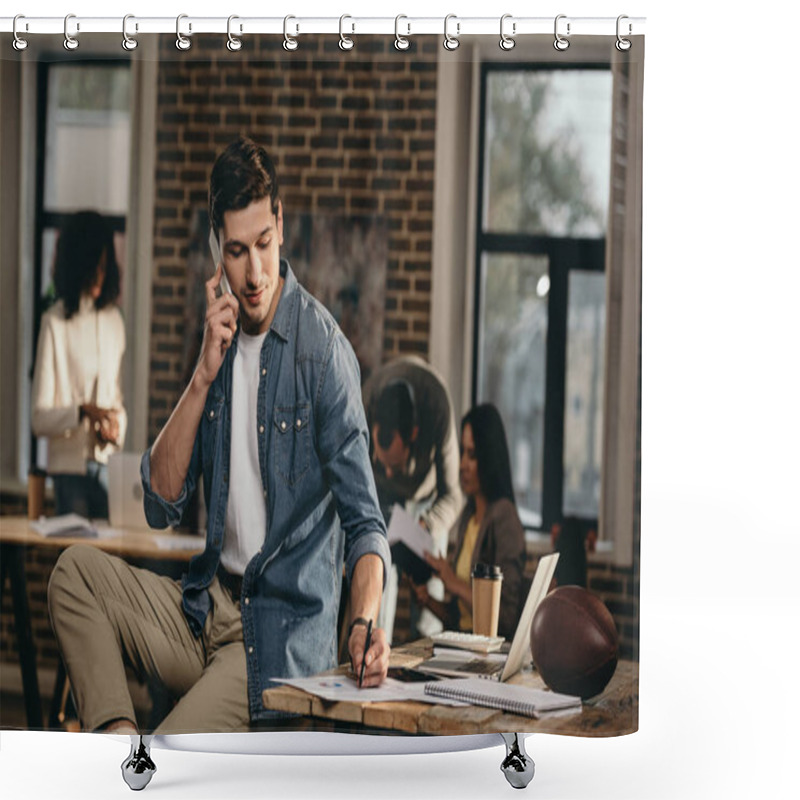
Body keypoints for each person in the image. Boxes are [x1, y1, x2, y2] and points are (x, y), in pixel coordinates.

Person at [47, 137, 391, 740]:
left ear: (280, 224)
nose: (254, 272)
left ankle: (136, 764)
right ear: (217, 250)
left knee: (169, 755)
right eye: (237, 251)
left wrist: (363, 621)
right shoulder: (218, 342)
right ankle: (120, 746)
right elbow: (160, 503)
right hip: (205, 609)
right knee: (73, 576)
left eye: (263, 244)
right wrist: (205, 370)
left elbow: (366, 525)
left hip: (277, 643)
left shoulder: (322, 352)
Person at [31, 211, 126, 518]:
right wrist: (82, 412)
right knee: (76, 562)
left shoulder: (114, 323)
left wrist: (114, 427)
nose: (99, 275)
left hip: (108, 470)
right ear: (78, 265)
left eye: (103, 266)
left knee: (107, 564)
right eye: (92, 266)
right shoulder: (54, 323)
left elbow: (118, 405)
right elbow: (38, 419)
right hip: (68, 474)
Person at [362, 356, 462, 640]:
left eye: (395, 465)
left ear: (414, 435)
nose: (391, 473)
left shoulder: (438, 405)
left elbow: (453, 496)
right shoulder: (365, 401)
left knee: (429, 614)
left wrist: (427, 526)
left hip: (427, 505)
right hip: (379, 498)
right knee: (375, 604)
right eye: (384, 464)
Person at [411, 404, 526, 640]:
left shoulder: (504, 517)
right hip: (461, 647)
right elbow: (457, 619)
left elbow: (505, 616)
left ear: (489, 458)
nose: (462, 464)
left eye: (472, 455)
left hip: (487, 657)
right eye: (462, 453)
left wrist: (453, 582)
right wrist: (428, 600)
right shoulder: (468, 517)